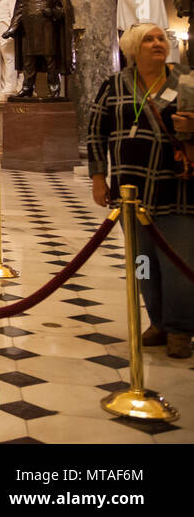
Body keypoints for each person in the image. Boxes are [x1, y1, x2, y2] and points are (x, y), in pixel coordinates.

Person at [88, 23, 194, 358]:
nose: (157, 43)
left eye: (161, 38)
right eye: (149, 39)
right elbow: (95, 132)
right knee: (142, 261)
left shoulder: (186, 80)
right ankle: (157, 321)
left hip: (176, 189)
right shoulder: (115, 84)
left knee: (177, 262)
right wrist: (98, 177)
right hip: (130, 192)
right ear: (134, 49)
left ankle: (180, 329)